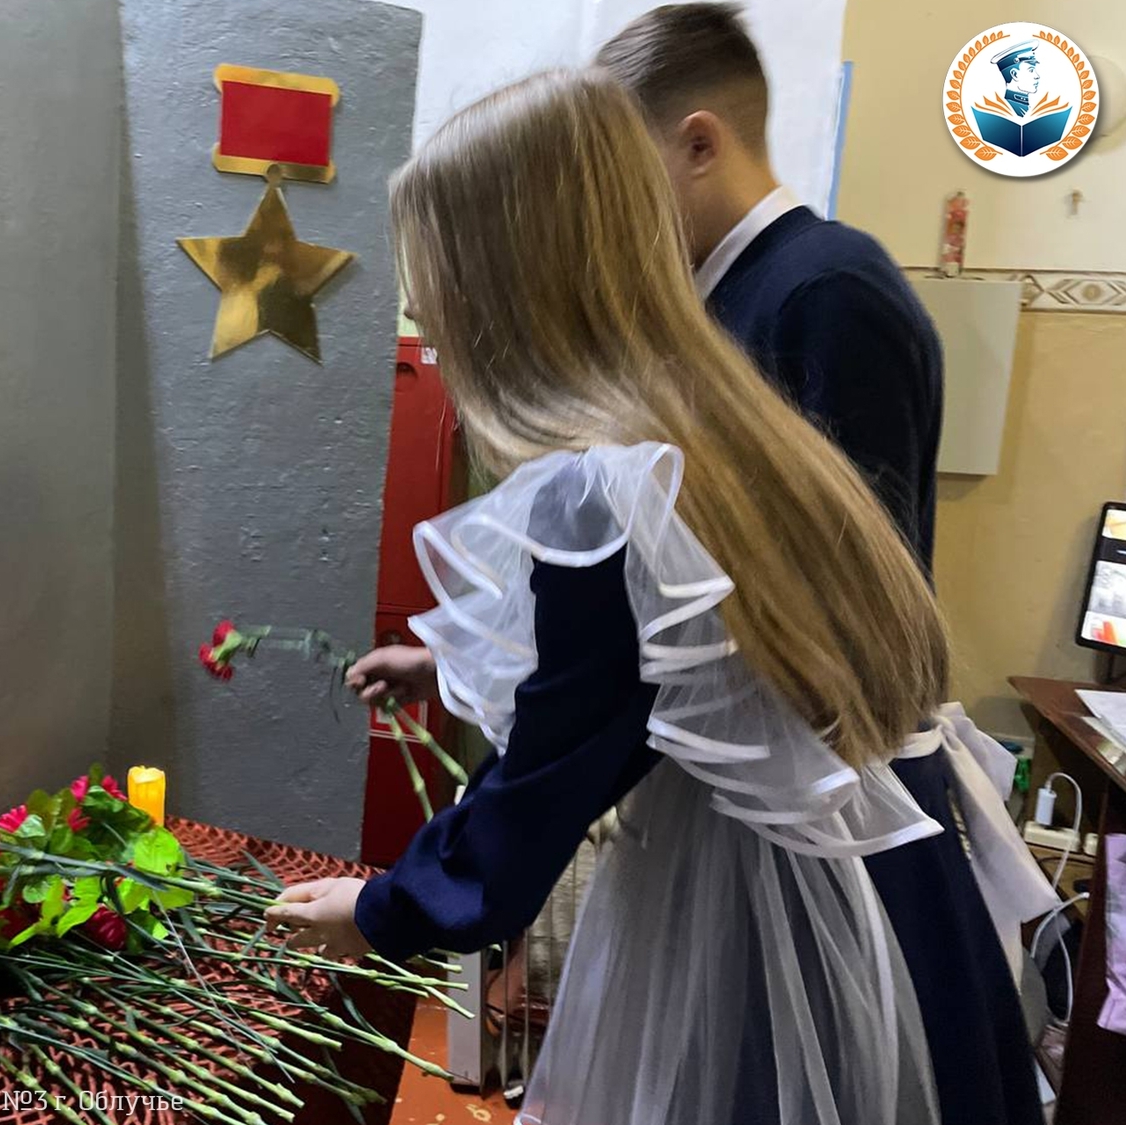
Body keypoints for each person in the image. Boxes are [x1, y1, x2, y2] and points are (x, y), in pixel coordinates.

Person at [267, 70, 1050, 1124]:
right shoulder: (727, 421)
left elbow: (554, 766)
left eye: (436, 287)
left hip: (770, 922)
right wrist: (449, 666)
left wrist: (384, 906)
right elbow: (674, 668)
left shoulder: (605, 483)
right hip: (895, 890)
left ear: (504, 292)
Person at [596, 2, 941, 571]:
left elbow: (855, 577)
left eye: (621, 177)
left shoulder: (829, 293)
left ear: (700, 145)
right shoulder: (725, 290)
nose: (611, 210)